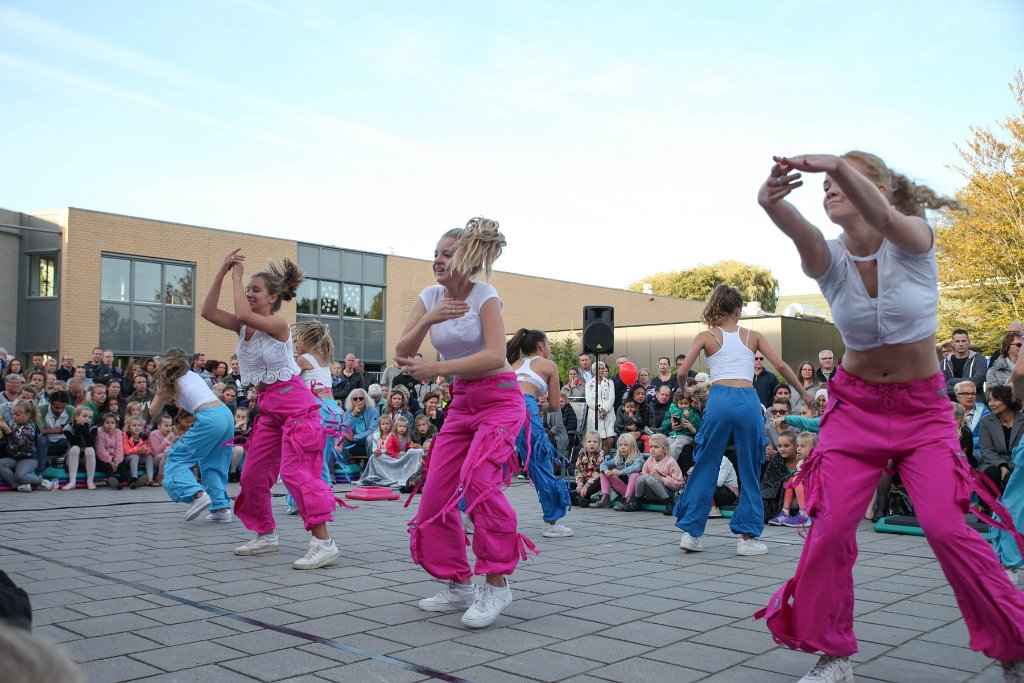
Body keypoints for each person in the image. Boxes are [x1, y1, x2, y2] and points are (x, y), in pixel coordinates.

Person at [754, 150, 1024, 681]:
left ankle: (1014, 643)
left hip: (922, 413)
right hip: (854, 409)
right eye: (826, 185)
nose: (830, 189)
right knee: (829, 529)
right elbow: (801, 231)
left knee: (948, 530)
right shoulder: (829, 259)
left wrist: (834, 162)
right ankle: (835, 655)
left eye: (841, 182)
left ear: (875, 189)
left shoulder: (915, 241)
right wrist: (768, 202)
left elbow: (884, 219)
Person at [395, 217, 528, 629]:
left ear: (467, 259)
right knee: (434, 493)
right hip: (463, 402)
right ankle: (458, 583)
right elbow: (402, 352)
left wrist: (438, 366)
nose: (437, 259)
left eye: (446, 254)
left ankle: (497, 583)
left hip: (500, 398)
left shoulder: (485, 296)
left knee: (479, 483)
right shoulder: (431, 295)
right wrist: (428, 319)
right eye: (435, 252)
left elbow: (493, 355)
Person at [203, 250, 343, 569]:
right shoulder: (243, 327)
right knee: (252, 474)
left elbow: (241, 310)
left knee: (296, 473)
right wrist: (223, 273)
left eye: (255, 289)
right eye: (248, 289)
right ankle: (265, 533)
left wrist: (238, 276)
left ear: (273, 297)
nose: (249, 294)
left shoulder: (278, 325)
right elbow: (208, 311)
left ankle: (324, 542)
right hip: (269, 408)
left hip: (297, 407)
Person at [674, 285, 811, 557]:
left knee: (706, 463)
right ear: (738, 310)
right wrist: (804, 392)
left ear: (716, 307)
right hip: (747, 400)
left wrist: (685, 389)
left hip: (720, 399)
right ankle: (747, 539)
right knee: (749, 466)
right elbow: (782, 366)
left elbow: (682, 371)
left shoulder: (706, 336)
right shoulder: (753, 335)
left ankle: (691, 533)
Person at [146, 348, 234, 520]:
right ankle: (221, 509)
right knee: (212, 462)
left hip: (210, 417)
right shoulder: (192, 374)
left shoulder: (168, 381)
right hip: (224, 413)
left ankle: (197, 495)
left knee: (177, 457)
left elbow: (153, 410)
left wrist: (159, 384)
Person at [507, 328, 574, 539]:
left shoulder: (513, 364)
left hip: (503, 407)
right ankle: (552, 521)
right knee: (541, 461)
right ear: (541, 345)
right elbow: (555, 405)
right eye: (549, 345)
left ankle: (466, 510)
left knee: (493, 460)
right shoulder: (548, 365)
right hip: (525, 408)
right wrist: (538, 407)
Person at [284, 321, 341, 511]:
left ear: (306, 340)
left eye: (297, 340)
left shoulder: (303, 359)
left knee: (305, 458)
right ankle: (326, 496)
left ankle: (301, 501)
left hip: (318, 409)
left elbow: (288, 380)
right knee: (322, 458)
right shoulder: (324, 357)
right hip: (332, 410)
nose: (295, 344)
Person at [977, 384, 1024, 493]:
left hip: (1019, 463)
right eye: (989, 400)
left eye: (995, 400)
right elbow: (986, 450)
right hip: (994, 462)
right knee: (991, 474)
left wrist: (1010, 467)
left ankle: (1012, 509)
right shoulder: (986, 421)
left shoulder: (1022, 420)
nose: (991, 404)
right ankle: (991, 508)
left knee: (1011, 478)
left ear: (1008, 400)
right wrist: (1002, 465)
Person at [941, 329, 988, 399]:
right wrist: (968, 383)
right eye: (957, 341)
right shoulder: (945, 362)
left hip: (975, 402)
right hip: (951, 403)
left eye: (963, 341)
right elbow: (940, 386)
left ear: (969, 342)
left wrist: (951, 382)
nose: (960, 344)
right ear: (952, 343)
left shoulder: (979, 359)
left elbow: (977, 382)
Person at [584, 361, 616, 453]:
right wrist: (600, 409)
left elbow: (611, 398)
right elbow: (589, 400)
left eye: (602, 368)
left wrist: (604, 409)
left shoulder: (610, 382)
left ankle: (605, 459)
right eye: (598, 369)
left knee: (609, 438)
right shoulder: (589, 384)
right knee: (595, 439)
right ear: (593, 371)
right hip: (594, 414)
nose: (601, 370)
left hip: (608, 413)